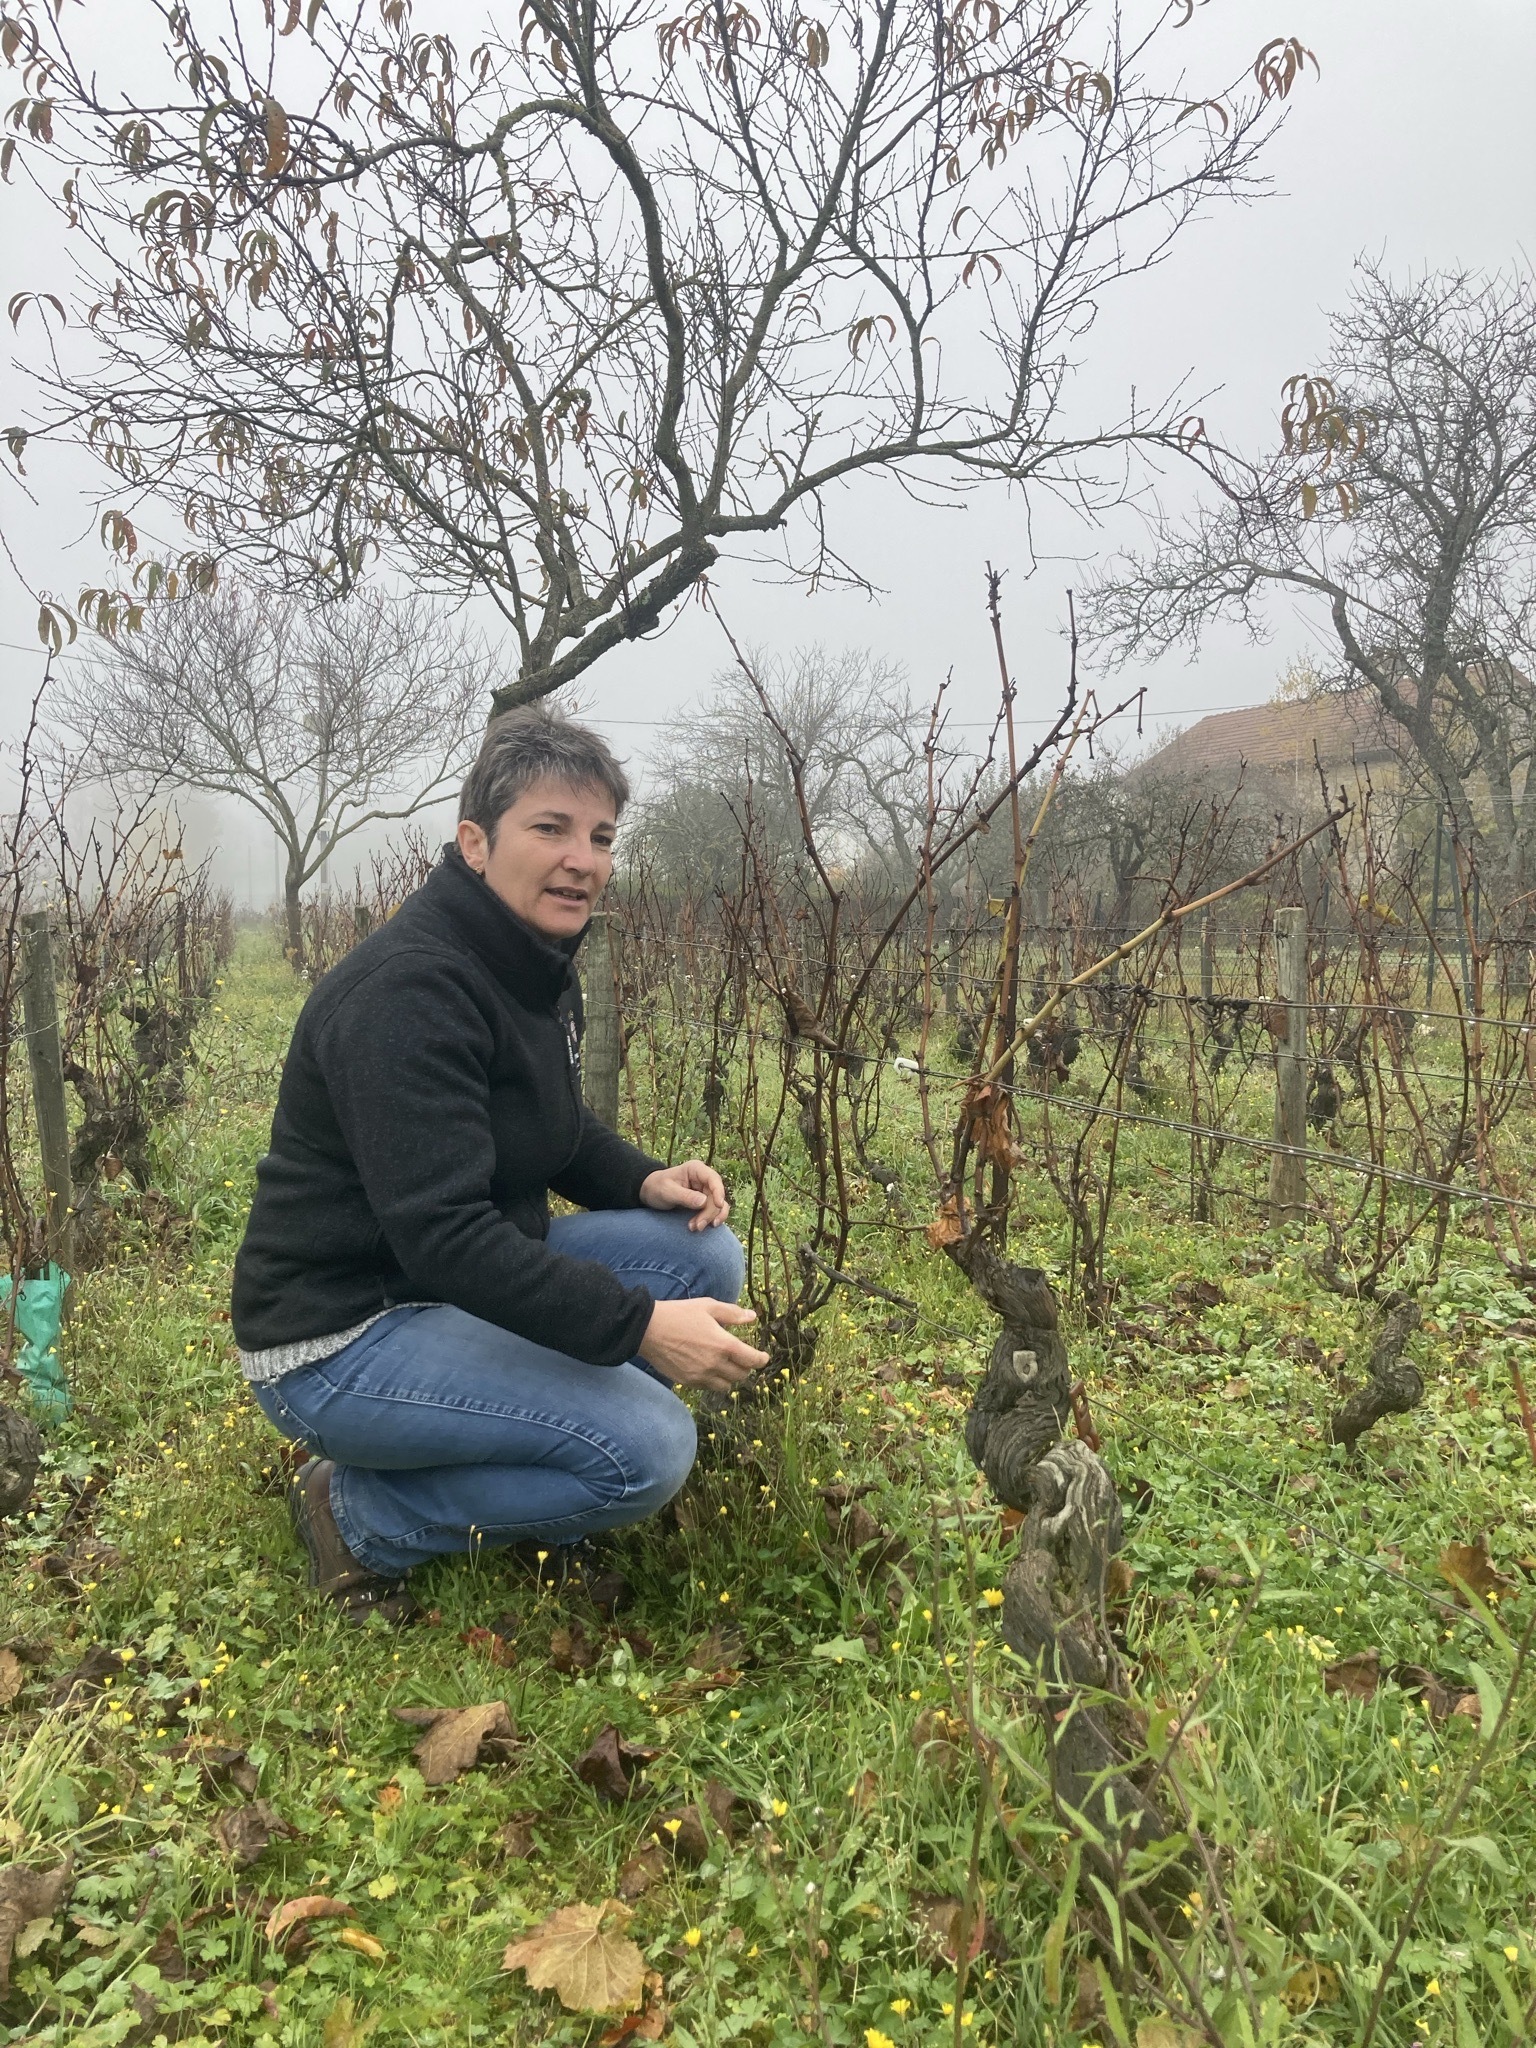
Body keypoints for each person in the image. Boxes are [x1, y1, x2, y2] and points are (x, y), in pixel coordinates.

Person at [232, 706, 767, 1621]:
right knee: (651, 1450)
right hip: (345, 1334)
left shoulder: (528, 961)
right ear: (475, 843)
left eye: (601, 836)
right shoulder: (409, 992)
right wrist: (638, 1326)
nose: (582, 859)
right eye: (550, 828)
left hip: (441, 1287)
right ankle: (356, 1515)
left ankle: (548, 1451)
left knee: (699, 1252)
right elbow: (446, 1236)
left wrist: (642, 1178)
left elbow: (552, 1130)